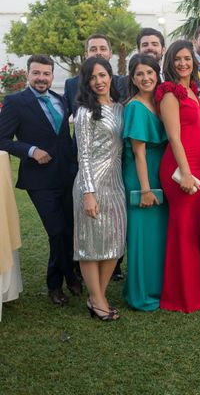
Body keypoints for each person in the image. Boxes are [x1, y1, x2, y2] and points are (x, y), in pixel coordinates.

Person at [0, 54, 80, 306]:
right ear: (27, 74)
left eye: (46, 74)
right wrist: (31, 151)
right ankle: (54, 285)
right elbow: (2, 139)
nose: (41, 78)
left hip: (68, 175)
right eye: (36, 73)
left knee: (71, 229)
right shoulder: (15, 102)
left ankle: (72, 276)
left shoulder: (60, 100)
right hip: (39, 179)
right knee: (57, 232)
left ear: (52, 76)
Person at [155, 40, 200, 313]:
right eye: (177, 59)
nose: (183, 63)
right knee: (183, 229)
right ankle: (184, 295)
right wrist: (187, 173)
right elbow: (174, 137)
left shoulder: (192, 90)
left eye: (186, 58)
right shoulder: (170, 93)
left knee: (196, 229)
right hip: (182, 168)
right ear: (170, 63)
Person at [72, 57, 125, 321]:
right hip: (90, 184)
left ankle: (97, 296)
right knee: (90, 244)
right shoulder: (85, 112)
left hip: (116, 184)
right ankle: (98, 299)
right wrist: (88, 193)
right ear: (87, 82)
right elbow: (83, 155)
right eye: (93, 77)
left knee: (114, 242)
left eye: (103, 75)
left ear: (111, 76)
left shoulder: (120, 108)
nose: (99, 81)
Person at [121, 54, 168, 311]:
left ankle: (157, 286)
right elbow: (138, 153)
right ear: (133, 78)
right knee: (141, 237)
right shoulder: (135, 107)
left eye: (149, 73)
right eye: (139, 74)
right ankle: (140, 293)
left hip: (160, 172)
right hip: (142, 177)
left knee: (157, 237)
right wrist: (146, 189)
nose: (145, 78)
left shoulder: (159, 103)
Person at [64, 34, 128, 116]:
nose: (98, 53)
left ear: (110, 53)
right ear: (86, 55)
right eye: (93, 49)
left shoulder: (122, 82)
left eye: (103, 49)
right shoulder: (71, 84)